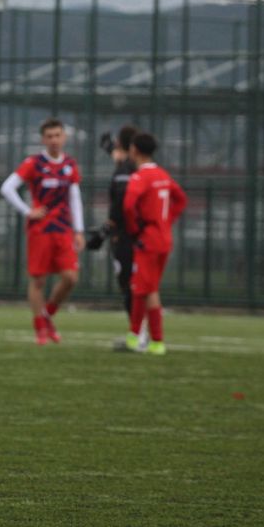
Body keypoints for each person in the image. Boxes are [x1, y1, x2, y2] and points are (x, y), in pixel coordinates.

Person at [0, 118, 85, 345]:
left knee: (70, 278)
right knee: (38, 281)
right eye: (49, 136)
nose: (54, 140)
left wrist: (79, 230)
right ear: (43, 140)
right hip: (41, 230)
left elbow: (75, 198)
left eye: (57, 135)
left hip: (64, 229)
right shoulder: (34, 163)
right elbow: (7, 188)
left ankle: (47, 315)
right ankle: (40, 327)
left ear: (64, 137)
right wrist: (28, 211)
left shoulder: (70, 164)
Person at [122, 132, 187, 355]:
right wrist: (166, 221)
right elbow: (181, 199)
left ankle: (150, 340)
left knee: (143, 289)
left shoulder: (140, 177)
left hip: (147, 240)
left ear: (134, 151)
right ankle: (140, 337)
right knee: (146, 288)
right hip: (164, 238)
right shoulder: (162, 174)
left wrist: (134, 229)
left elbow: (128, 205)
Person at [101, 125, 149, 351]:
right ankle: (144, 335)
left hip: (127, 235)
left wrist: (110, 227)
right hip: (145, 234)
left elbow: (122, 202)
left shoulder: (124, 171)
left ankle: (140, 336)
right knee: (141, 285)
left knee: (129, 284)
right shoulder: (141, 168)